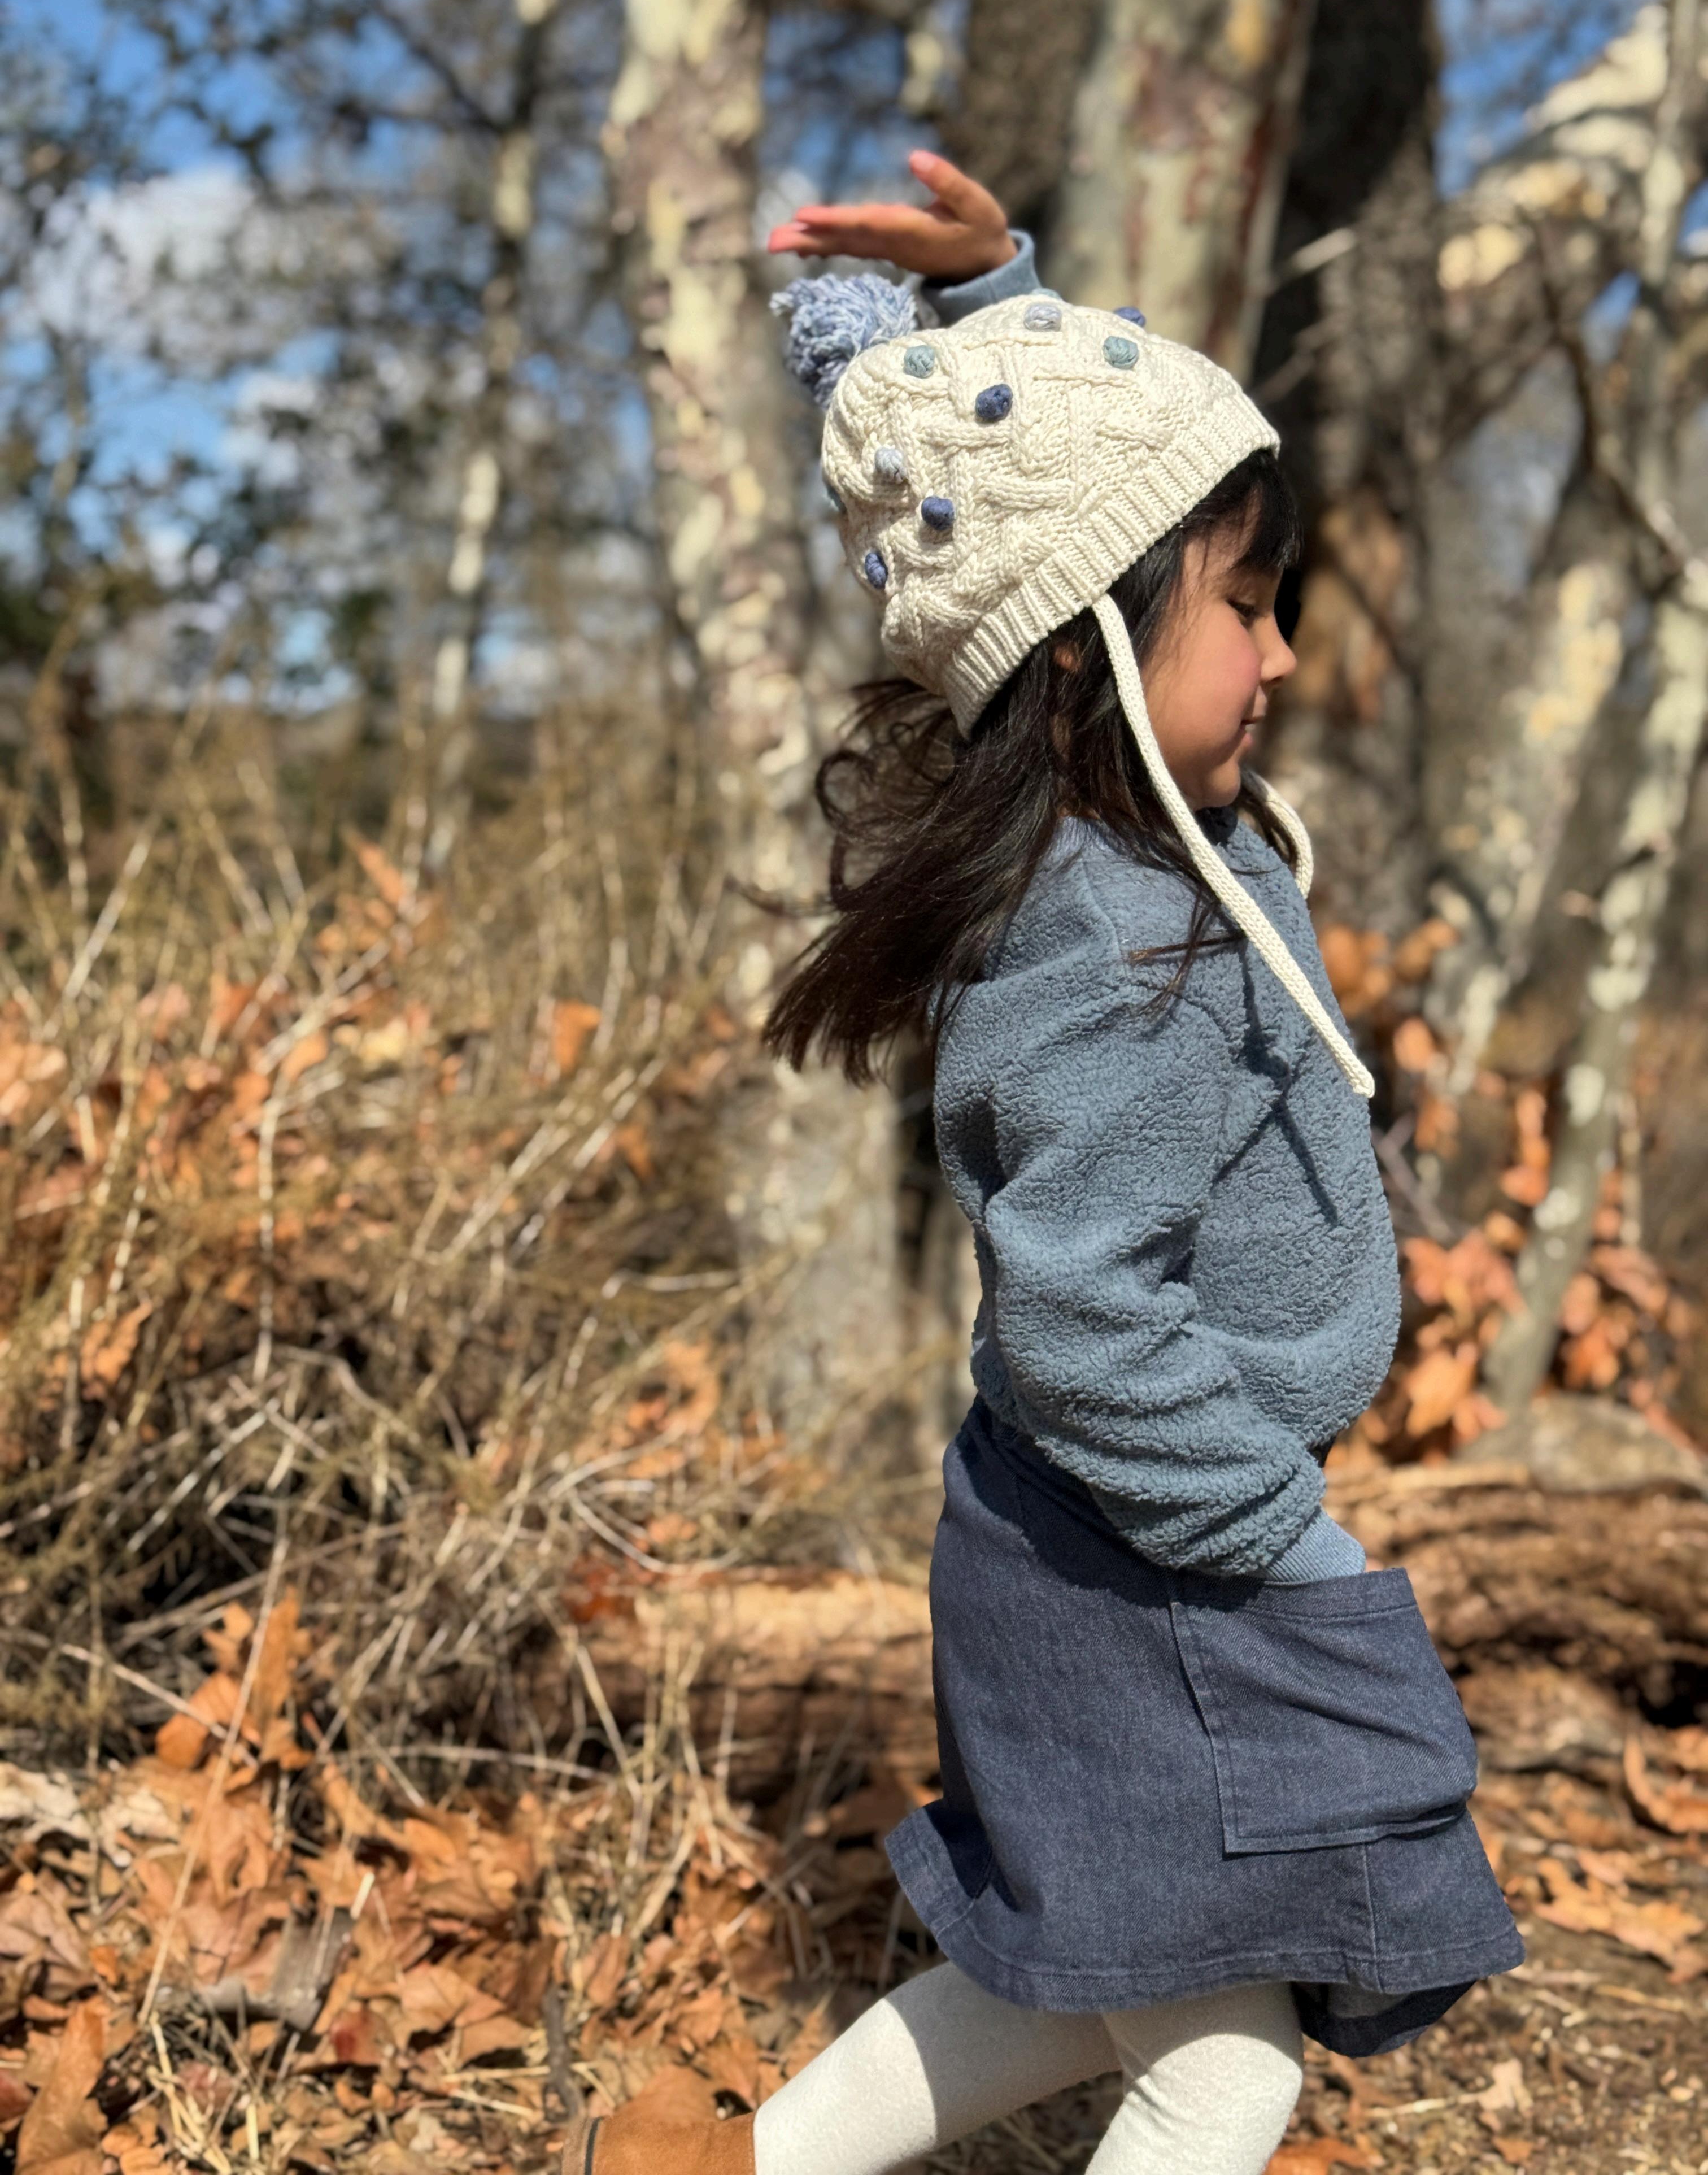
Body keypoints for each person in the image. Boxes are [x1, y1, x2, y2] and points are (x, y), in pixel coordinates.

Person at [564, 151, 1523, 2175]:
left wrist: (996, 302)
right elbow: (1084, 1320)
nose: (1279, 654)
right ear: (1085, 649)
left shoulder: (1153, 849)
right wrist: (1284, 1536)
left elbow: (1055, 508)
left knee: (1076, 1982)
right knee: (1225, 2064)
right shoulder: (1111, 937)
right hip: (1142, 1559)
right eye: (1245, 606)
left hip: (1116, 1538)